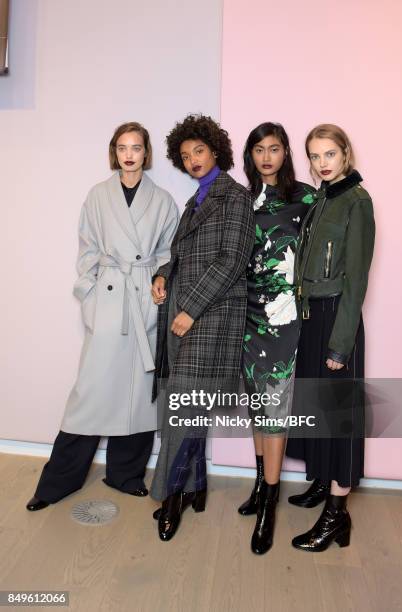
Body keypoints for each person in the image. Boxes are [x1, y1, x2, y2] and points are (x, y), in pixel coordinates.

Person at [26, 122, 179, 511]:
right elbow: (88, 248)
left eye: (137, 147)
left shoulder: (162, 201)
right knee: (90, 393)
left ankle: (125, 475)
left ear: (147, 153)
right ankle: (58, 481)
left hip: (144, 298)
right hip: (110, 296)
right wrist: (89, 293)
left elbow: (167, 251)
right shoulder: (98, 196)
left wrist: (160, 277)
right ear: (115, 151)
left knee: (138, 396)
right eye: (123, 147)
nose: (129, 154)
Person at [150, 114, 255, 541]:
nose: (193, 159)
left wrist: (190, 308)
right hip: (181, 312)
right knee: (186, 405)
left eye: (199, 150)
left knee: (181, 409)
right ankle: (197, 485)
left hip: (209, 317)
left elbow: (231, 260)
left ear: (215, 151)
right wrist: (161, 275)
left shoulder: (235, 197)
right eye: (185, 154)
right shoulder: (194, 202)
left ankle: (170, 497)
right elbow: (180, 256)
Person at [286, 124, 375, 551]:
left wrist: (341, 344)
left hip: (338, 317)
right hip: (312, 314)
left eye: (329, 155)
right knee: (315, 408)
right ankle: (322, 484)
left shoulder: (357, 202)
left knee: (338, 420)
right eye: (315, 156)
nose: (322, 164)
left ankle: (337, 518)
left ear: (345, 154)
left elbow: (356, 280)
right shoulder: (323, 197)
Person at [239, 122, 315, 554]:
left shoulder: (305, 198)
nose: (266, 157)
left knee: (275, 406)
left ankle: (270, 501)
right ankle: (258, 483)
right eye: (258, 150)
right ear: (250, 155)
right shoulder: (242, 199)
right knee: (256, 406)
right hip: (246, 312)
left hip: (284, 315)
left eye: (274, 149)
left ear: (285, 153)